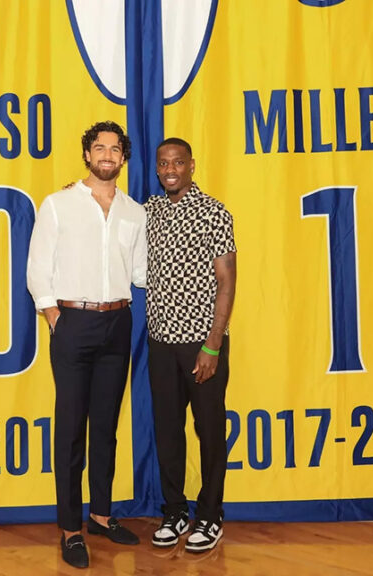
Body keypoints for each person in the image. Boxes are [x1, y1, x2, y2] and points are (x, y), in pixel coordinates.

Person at [26, 121, 147, 569]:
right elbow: (38, 267)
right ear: (87, 154)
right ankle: (70, 529)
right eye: (100, 147)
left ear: (123, 158)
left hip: (119, 322)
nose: (107, 155)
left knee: (107, 429)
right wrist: (55, 317)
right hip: (73, 321)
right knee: (71, 429)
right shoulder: (58, 204)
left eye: (115, 149)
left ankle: (100, 515)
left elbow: (140, 274)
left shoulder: (136, 212)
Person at [144, 137, 236, 553]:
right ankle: (175, 510)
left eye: (178, 162)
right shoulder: (150, 211)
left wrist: (213, 345)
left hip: (202, 343)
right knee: (167, 431)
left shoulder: (214, 212)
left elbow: (227, 280)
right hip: (161, 343)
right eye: (164, 163)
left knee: (210, 430)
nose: (170, 169)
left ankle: (210, 514)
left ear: (191, 166)